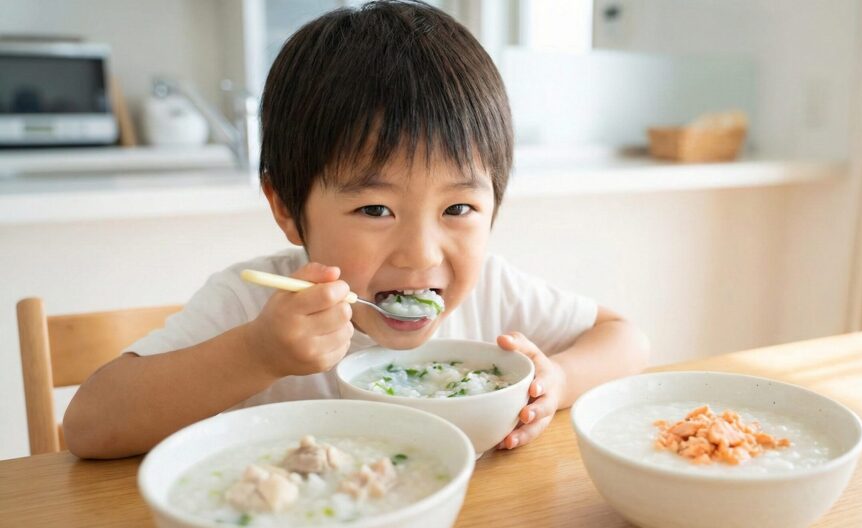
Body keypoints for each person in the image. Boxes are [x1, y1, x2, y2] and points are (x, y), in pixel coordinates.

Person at [64, 0, 649, 459]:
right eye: (375, 210)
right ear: (287, 208)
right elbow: (88, 426)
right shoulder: (254, 305)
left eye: (458, 209)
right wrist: (255, 355)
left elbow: (626, 339)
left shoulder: (496, 292)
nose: (421, 255)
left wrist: (559, 379)